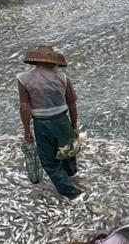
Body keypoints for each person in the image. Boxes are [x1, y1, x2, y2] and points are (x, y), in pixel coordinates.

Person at [18, 44, 83, 199]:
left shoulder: (23, 79)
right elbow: (72, 104)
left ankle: (72, 193)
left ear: (35, 61)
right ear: (53, 62)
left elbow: (24, 107)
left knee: (49, 163)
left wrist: (27, 131)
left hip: (41, 123)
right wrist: (74, 127)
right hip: (62, 121)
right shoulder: (63, 78)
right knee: (68, 151)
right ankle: (72, 176)